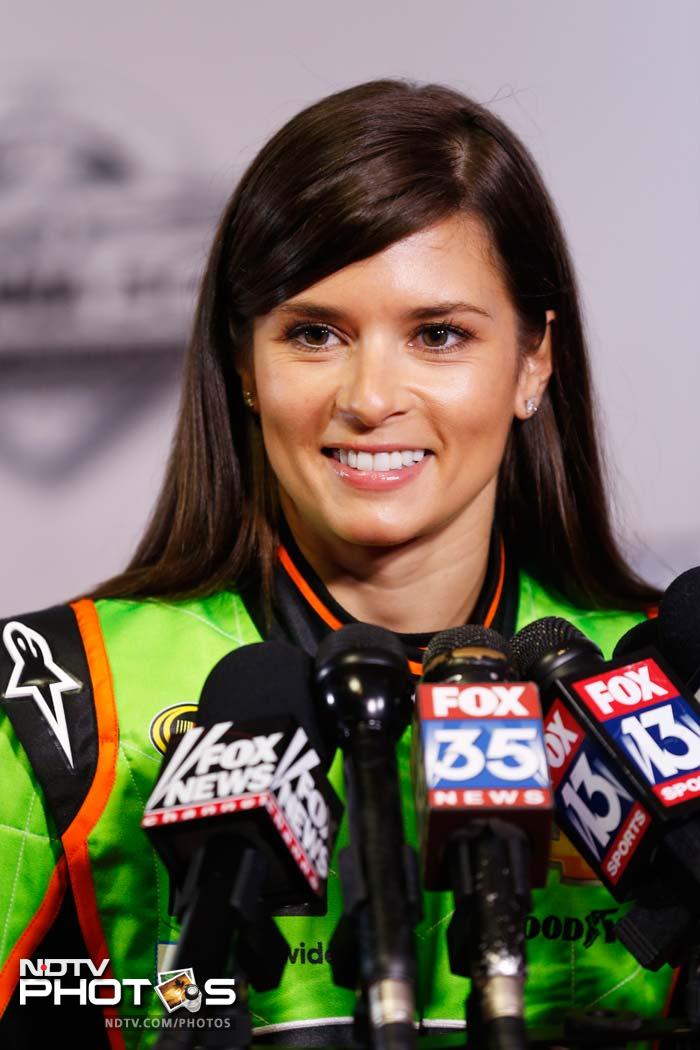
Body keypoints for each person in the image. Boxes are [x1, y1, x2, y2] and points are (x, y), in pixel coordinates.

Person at [0, 77, 674, 1049]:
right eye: (314, 334)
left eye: (438, 335)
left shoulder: (657, 694)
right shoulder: (61, 697)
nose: (370, 397)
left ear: (532, 362)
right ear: (243, 364)